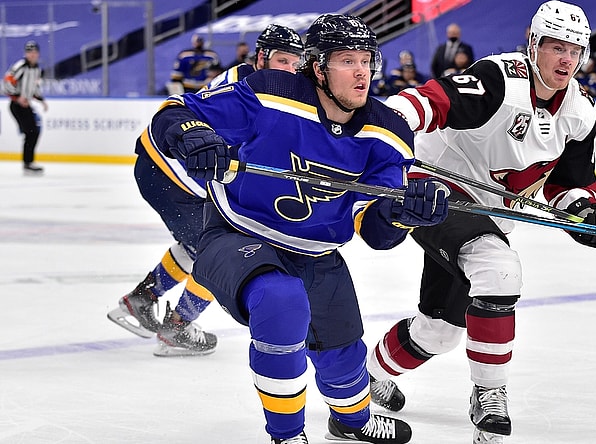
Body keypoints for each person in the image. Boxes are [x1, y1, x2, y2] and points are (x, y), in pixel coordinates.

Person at [147, 13, 449, 444]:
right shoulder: (270, 93)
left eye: (367, 59)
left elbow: (378, 232)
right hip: (236, 233)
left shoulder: (390, 133)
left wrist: (405, 213)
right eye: (347, 60)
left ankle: (352, 421)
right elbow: (172, 113)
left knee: (343, 351)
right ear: (318, 67)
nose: (362, 71)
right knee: (281, 302)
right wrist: (192, 135)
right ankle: (287, 435)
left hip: (317, 251)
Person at [370, 2, 596, 443]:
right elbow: (426, 102)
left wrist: (586, 210)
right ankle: (489, 397)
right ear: (534, 46)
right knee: (498, 269)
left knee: (440, 331)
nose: (566, 59)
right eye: (555, 47)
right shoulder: (500, 79)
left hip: (487, 215)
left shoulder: (582, 110)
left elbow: (570, 183)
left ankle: (364, 374)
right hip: (434, 191)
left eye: (575, 50)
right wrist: (379, 128)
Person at [107, 24, 305, 357]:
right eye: (283, 61)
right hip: (171, 172)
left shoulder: (253, 80)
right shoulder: (249, 89)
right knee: (222, 251)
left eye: (295, 64)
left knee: (197, 242)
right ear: (261, 58)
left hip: (162, 168)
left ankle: (141, 301)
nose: (290, 71)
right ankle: (177, 328)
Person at [4, 40, 48, 175]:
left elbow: (33, 88)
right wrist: (17, 97)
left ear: (38, 54)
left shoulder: (37, 70)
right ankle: (28, 163)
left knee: (33, 132)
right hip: (17, 106)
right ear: (25, 54)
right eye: (29, 52)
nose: (32, 55)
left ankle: (28, 163)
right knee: (31, 132)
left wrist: (42, 100)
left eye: (34, 52)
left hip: (26, 105)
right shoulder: (21, 66)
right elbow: (7, 82)